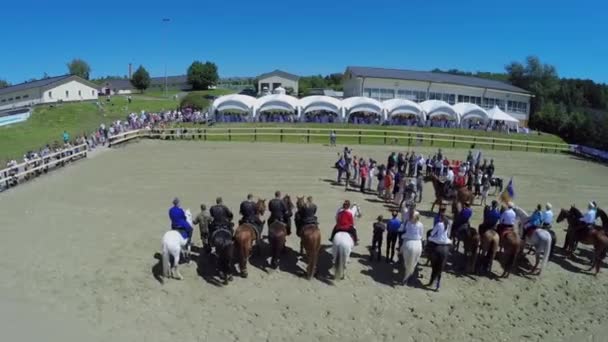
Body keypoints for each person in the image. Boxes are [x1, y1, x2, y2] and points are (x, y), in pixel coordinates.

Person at [426, 208, 451, 290]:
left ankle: (427, 253)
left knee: (429, 239)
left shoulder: (439, 224)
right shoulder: (448, 223)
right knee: (440, 268)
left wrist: (432, 236)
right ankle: (438, 285)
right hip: (445, 242)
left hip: (438, 241)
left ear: (440, 217)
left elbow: (432, 233)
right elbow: (448, 234)